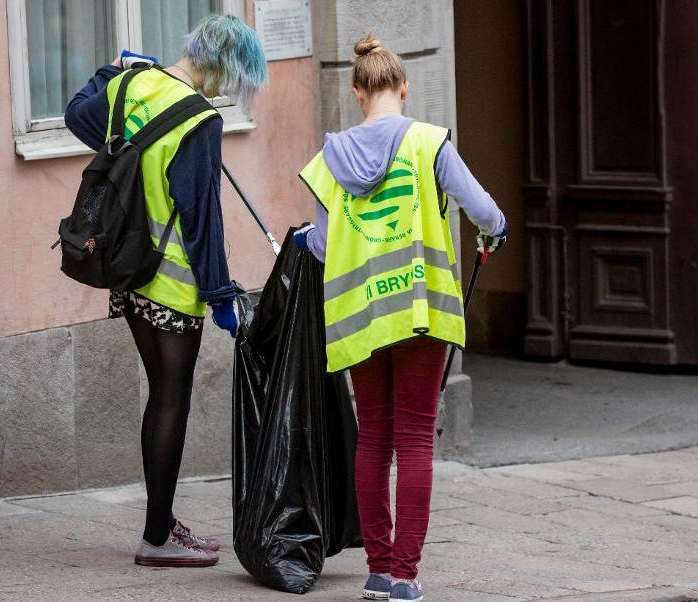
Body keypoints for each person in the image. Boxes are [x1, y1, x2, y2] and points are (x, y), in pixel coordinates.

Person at [294, 32, 507, 602]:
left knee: (373, 442)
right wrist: (495, 233)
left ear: (358, 92)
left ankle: (378, 570)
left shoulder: (329, 158)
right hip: (419, 310)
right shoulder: (429, 143)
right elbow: (485, 211)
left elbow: (318, 246)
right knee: (414, 441)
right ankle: (406, 579)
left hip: (361, 318)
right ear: (404, 89)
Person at [64, 15, 267, 568]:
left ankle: (160, 528)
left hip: (126, 270)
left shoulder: (133, 84)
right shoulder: (200, 119)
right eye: (233, 76)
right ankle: (157, 538)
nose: (228, 89)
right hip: (172, 279)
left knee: (160, 397)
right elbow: (203, 219)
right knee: (170, 399)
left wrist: (114, 69)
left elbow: (77, 116)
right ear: (222, 62)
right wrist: (221, 293)